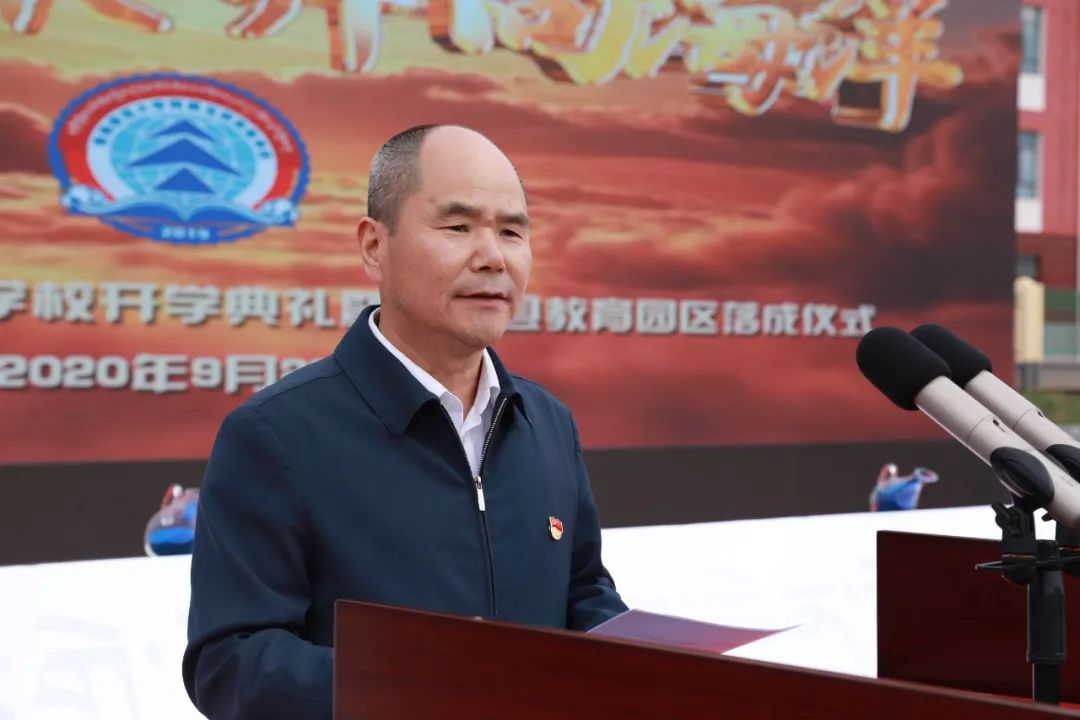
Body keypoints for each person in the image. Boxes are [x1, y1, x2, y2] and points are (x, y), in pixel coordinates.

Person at [182, 124, 629, 719]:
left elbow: (582, 591)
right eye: (457, 227)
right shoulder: (276, 435)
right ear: (374, 246)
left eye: (512, 231)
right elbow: (231, 663)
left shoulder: (547, 422)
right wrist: (426, 687)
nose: (493, 257)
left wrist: (648, 665)